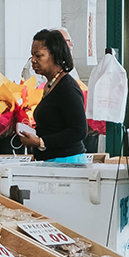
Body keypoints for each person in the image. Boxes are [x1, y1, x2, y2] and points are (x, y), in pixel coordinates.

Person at [20, 29, 88, 163]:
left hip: (67, 162)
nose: (33, 61)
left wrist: (41, 141)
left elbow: (79, 130)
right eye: (32, 56)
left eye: (38, 56)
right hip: (51, 161)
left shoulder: (67, 87)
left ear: (55, 55)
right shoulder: (51, 84)